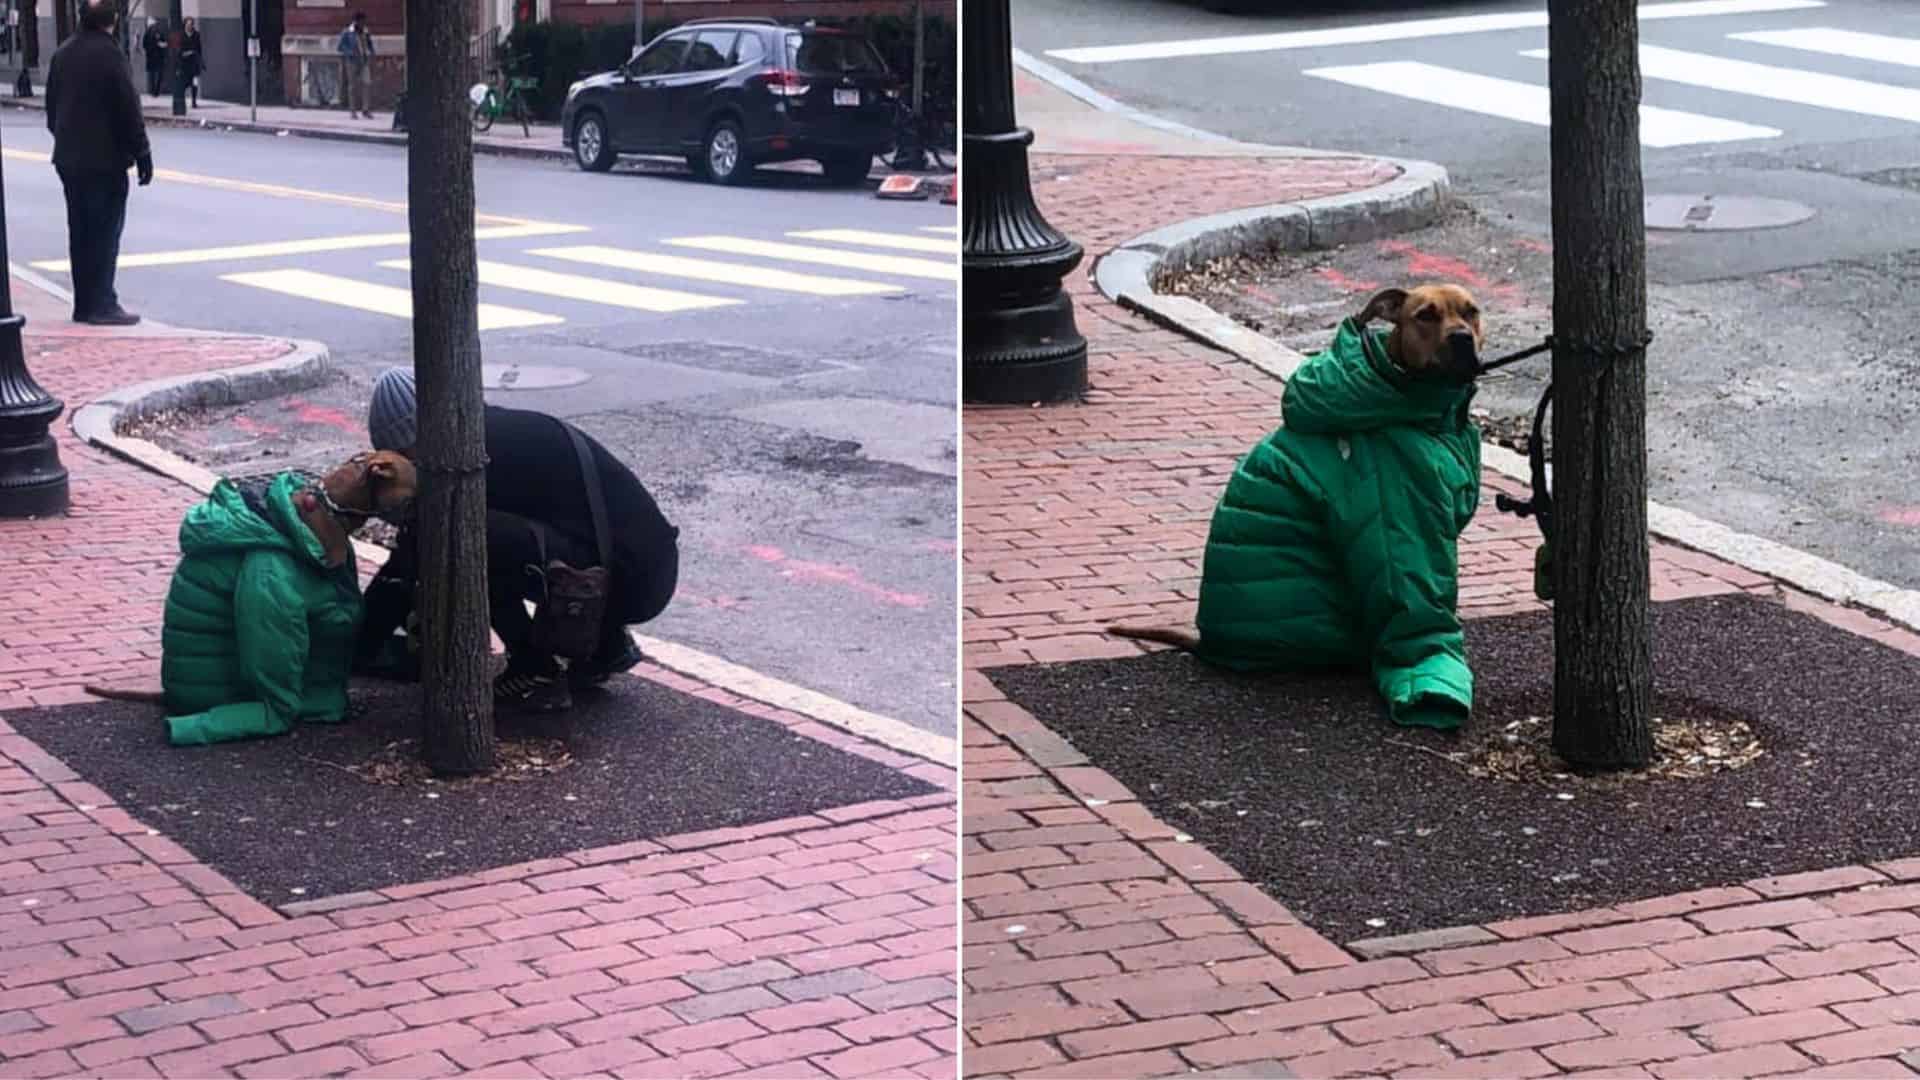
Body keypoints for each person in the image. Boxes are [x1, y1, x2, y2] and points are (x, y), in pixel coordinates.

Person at [355, 369, 681, 713]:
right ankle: (605, 646)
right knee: (494, 534)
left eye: (407, 454)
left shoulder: (469, 458)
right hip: (647, 568)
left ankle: (533, 666)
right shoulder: (493, 429)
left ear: (423, 434)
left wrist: (357, 648)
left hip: (629, 583)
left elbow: (411, 556)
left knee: (455, 536)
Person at [45, 0, 152, 328]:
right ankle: (102, 302)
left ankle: (84, 303)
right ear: (114, 20)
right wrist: (142, 152)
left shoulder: (62, 54)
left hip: (70, 158)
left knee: (80, 232)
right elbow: (127, 108)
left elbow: (52, 111)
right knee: (105, 232)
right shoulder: (110, 55)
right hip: (104, 160)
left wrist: (66, 137)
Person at [337, 11, 374, 119]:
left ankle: (365, 109)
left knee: (367, 84)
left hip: (364, 61)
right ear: (356, 21)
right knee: (352, 87)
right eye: (361, 21)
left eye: (364, 21)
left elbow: (369, 44)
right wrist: (349, 52)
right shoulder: (347, 32)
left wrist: (371, 52)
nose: (363, 23)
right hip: (352, 62)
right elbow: (340, 47)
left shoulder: (366, 32)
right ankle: (353, 111)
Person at [179, 17, 203, 108]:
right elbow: (179, 49)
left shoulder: (196, 35)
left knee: (195, 83)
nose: (190, 26)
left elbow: (199, 48)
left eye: (192, 24)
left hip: (194, 63)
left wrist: (200, 61)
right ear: (185, 25)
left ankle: (194, 101)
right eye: (188, 24)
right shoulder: (181, 35)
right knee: (184, 83)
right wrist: (184, 54)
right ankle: (181, 101)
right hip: (184, 63)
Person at [140, 19, 165, 97]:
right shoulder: (158, 32)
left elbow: (144, 44)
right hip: (157, 56)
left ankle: (153, 91)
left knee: (152, 74)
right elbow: (163, 42)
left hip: (151, 56)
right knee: (157, 74)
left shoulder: (147, 33)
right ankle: (155, 91)